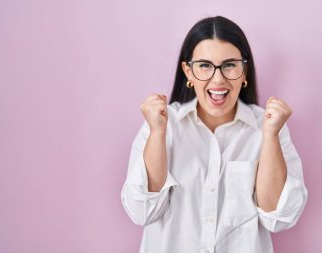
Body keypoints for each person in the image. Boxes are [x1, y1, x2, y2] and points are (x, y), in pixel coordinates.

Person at [121, 16, 308, 253]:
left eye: (229, 65)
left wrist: (270, 135)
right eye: (205, 66)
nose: (217, 79)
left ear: (244, 71)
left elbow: (277, 218)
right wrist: (158, 131)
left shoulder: (270, 127)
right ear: (188, 72)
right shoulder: (161, 125)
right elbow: (142, 212)